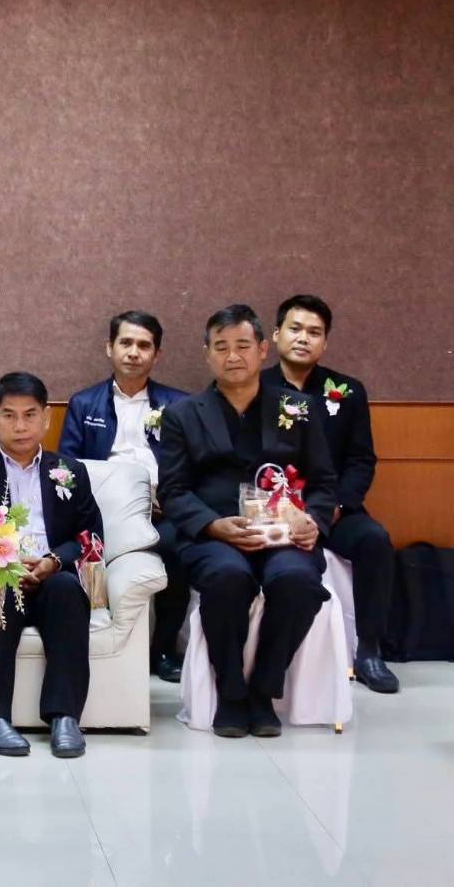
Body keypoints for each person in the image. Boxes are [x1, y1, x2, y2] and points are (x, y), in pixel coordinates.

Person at [159, 304, 336, 738]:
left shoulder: (298, 407)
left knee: (297, 580)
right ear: (207, 354)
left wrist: (312, 521)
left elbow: (323, 481)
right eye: (221, 347)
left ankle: (264, 689)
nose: (233, 356)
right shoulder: (183, 414)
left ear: (262, 350)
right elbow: (174, 490)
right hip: (217, 536)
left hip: (284, 535)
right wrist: (212, 526)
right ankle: (231, 692)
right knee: (227, 578)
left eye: (242, 345)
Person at [0, 372, 100, 759]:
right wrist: (2, 561)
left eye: (30, 415)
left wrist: (53, 561)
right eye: (8, 415)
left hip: (51, 574)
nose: (20, 426)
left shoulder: (70, 470)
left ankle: (65, 717)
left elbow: (90, 534)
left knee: (67, 590)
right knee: (0, 593)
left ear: (47, 417)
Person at [262, 294, 399, 693]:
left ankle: (369, 651)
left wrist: (336, 506)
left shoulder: (347, 391)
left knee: (374, 540)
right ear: (276, 334)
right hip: (273, 510)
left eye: (314, 332)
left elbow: (361, 460)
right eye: (295, 328)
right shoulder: (253, 386)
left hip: (333, 509)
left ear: (325, 343)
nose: (303, 338)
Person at [59, 310, 191, 682]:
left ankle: (163, 650)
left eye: (144, 345)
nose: (134, 352)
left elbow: (191, 464)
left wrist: (171, 494)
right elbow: (67, 469)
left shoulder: (179, 404)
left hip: (162, 509)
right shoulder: (84, 404)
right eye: (126, 343)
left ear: (157, 354)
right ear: (110, 347)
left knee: (179, 552)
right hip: (104, 512)